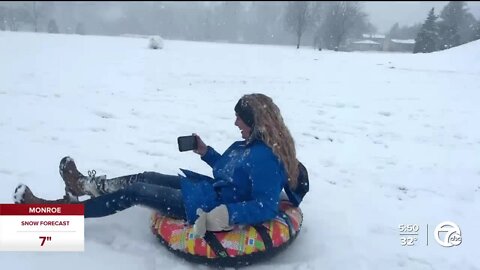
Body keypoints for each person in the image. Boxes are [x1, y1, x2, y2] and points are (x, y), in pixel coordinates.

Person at [14, 93, 306, 237]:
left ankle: (54, 215)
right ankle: (85, 186)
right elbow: (232, 173)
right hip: (206, 190)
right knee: (147, 175)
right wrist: (206, 153)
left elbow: (265, 205)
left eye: (239, 118)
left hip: (206, 205)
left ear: (255, 121)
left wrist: (226, 213)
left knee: (137, 191)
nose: (235, 123)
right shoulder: (251, 145)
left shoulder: (268, 157)